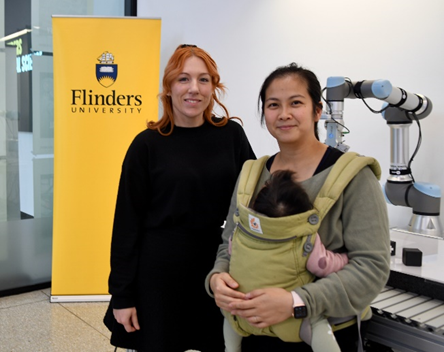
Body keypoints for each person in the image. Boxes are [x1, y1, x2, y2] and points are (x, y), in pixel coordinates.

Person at [206, 62, 391, 352]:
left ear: (317, 111)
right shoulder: (251, 175)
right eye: (273, 105)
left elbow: (372, 269)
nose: (284, 114)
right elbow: (229, 243)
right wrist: (217, 278)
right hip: (253, 332)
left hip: (320, 333)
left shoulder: (353, 177)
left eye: (296, 103)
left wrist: (295, 302)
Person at [103, 44, 256, 352]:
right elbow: (126, 225)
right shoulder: (146, 145)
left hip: (216, 268)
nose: (194, 89)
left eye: (203, 80)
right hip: (158, 273)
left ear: (214, 87)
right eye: (184, 79)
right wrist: (121, 295)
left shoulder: (231, 136)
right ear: (169, 86)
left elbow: (254, 200)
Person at [223, 168, 349, 352]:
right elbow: (324, 264)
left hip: (243, 313)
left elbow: (230, 252)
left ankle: (231, 348)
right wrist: (346, 258)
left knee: (229, 316)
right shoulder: (305, 239)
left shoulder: (240, 232)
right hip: (289, 321)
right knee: (317, 322)